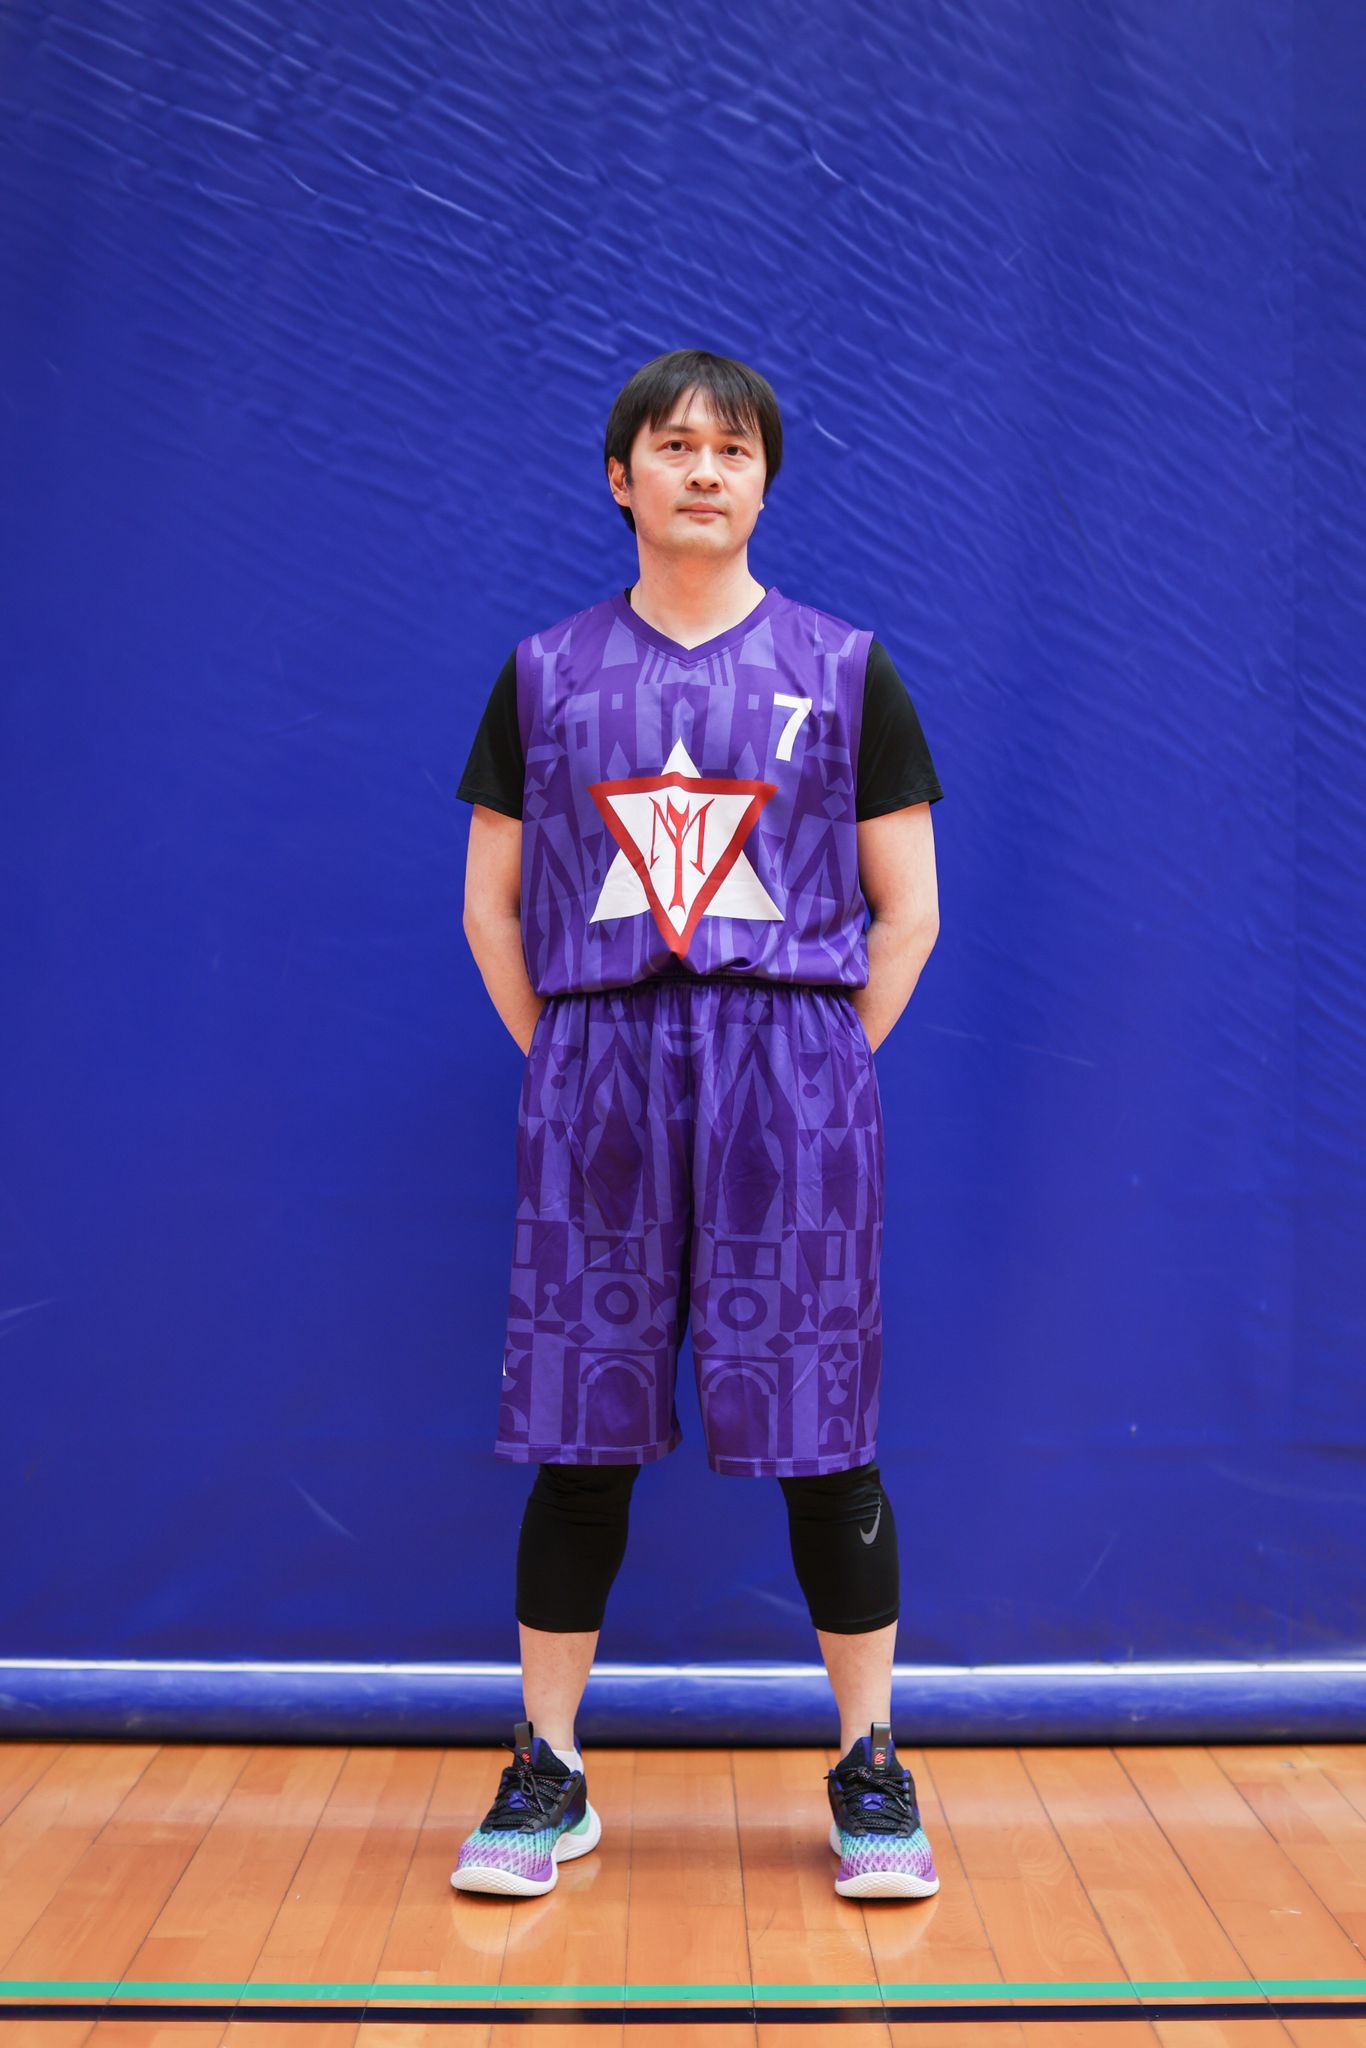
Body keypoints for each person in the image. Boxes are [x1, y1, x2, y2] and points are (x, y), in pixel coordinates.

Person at [451, 348, 944, 1902]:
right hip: (596, 1073)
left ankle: (870, 1766)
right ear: (622, 479)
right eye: (674, 446)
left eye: (733, 450)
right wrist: (575, 1061)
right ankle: (547, 1767)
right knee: (577, 1440)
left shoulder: (844, 669)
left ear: (765, 482)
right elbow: (490, 908)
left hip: (790, 1077)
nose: (704, 470)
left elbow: (908, 911)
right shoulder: (543, 673)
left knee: (825, 1441)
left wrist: (811, 1068)